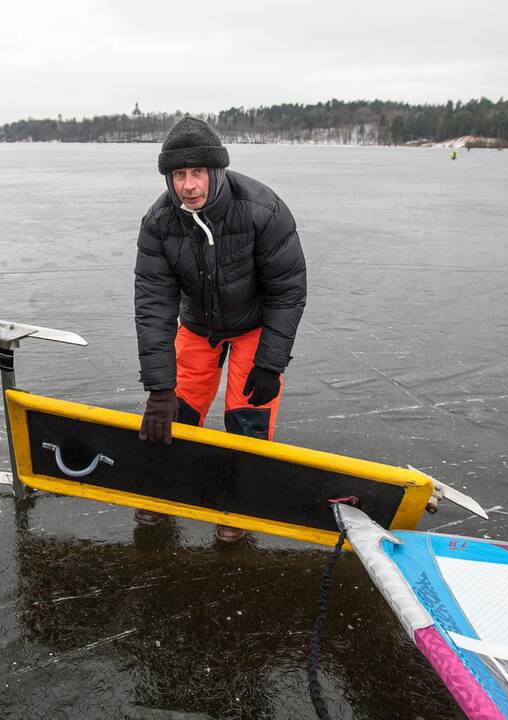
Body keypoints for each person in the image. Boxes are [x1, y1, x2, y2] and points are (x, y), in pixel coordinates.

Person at [133, 116, 307, 541]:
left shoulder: (263, 210)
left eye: (197, 173)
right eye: (178, 174)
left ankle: (237, 505)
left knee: (247, 417)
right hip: (197, 325)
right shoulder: (159, 222)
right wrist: (159, 387)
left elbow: (288, 291)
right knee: (177, 412)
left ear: (217, 171)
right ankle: (162, 489)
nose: (188, 185)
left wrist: (270, 363)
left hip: (253, 325)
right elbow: (154, 306)